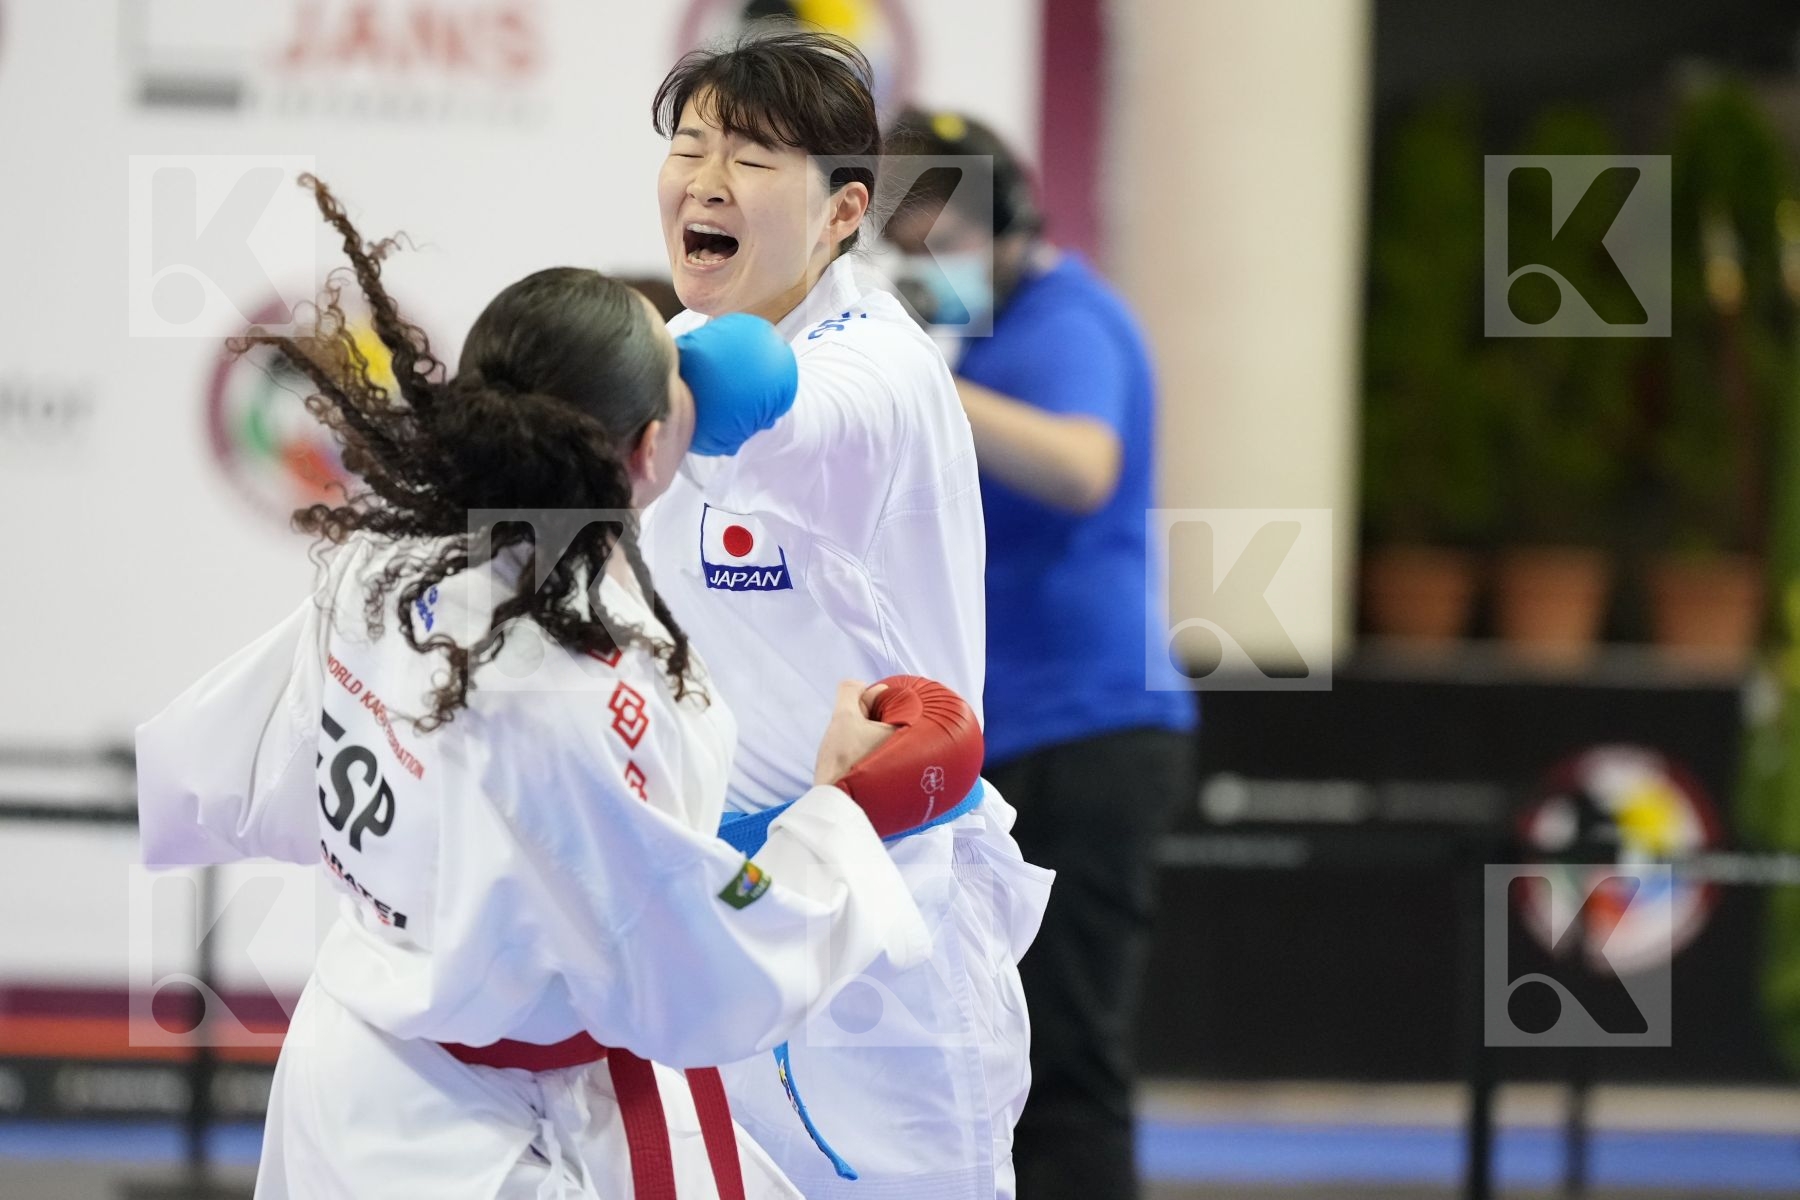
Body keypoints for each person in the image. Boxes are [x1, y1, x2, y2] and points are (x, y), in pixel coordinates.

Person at [135, 174, 959, 1199]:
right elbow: (701, 973)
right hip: (476, 1135)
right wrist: (841, 813)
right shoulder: (581, 691)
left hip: (363, 1057)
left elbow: (226, 765)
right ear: (651, 446)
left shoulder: (388, 567)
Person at [640, 29, 1053, 1200]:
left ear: (840, 213)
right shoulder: (670, 350)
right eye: (689, 148)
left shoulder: (879, 370)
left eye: (755, 160)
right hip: (722, 918)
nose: (708, 181)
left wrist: (614, 372)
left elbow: (759, 402)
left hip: (889, 931)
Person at [881, 109, 1199, 1200]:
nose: (928, 263)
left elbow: (1080, 467)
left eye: (945, 237)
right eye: (906, 238)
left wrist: (928, 382)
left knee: (1065, 1065)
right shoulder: (987, 335)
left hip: (1090, 727)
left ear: (1008, 223)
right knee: (987, 1065)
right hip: (1009, 730)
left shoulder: (1069, 323)